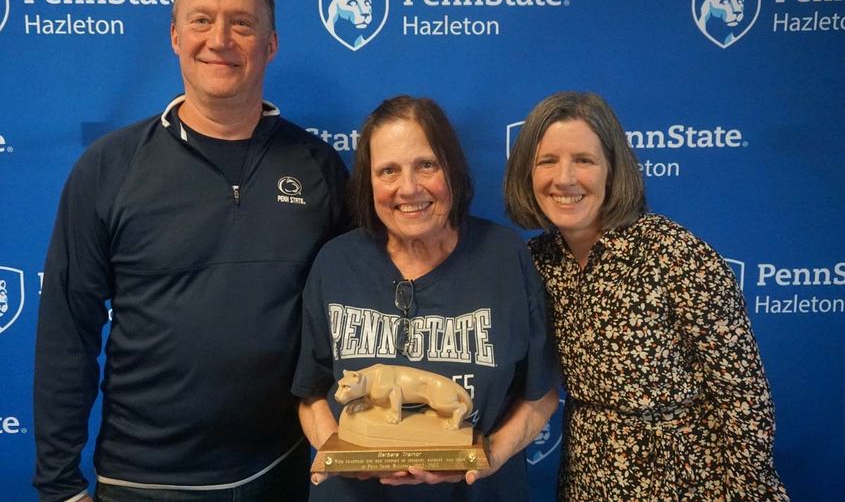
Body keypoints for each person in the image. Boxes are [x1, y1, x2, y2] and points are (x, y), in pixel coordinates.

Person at [33, 0, 348, 502]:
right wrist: (59, 485)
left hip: (286, 471)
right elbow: (67, 333)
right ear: (175, 36)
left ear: (270, 44)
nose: (219, 39)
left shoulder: (318, 167)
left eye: (242, 23)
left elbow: (354, 317)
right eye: (201, 20)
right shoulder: (109, 167)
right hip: (145, 482)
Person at [503, 91, 790, 501]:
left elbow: (743, 393)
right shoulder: (535, 262)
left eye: (584, 160)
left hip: (688, 480)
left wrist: (748, 489)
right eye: (547, 161)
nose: (564, 178)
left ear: (612, 169)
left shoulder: (675, 254)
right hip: (588, 475)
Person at [292, 95, 559, 501]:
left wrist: (488, 456)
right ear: (369, 181)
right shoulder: (336, 263)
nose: (409, 188)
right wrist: (340, 454)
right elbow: (310, 393)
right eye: (388, 171)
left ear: (452, 169)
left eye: (426, 165)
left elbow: (540, 395)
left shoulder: (504, 257)